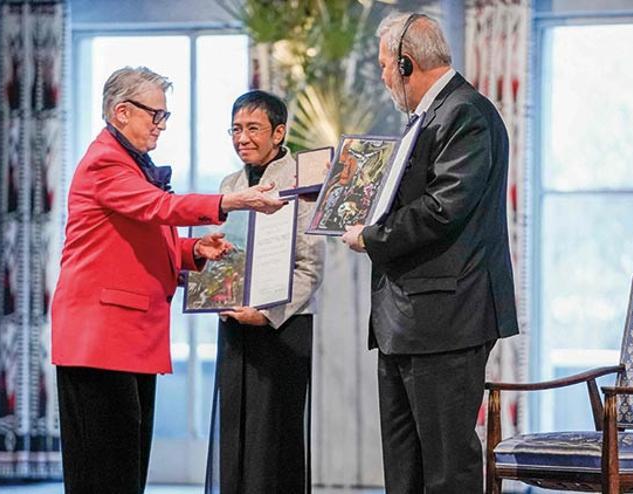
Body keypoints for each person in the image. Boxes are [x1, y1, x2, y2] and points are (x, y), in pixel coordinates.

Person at [51, 66, 285, 494]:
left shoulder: (131, 164)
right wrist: (234, 200)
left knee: (127, 468)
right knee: (103, 474)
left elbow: (137, 238)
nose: (161, 125)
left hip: (128, 337)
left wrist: (191, 251)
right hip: (99, 339)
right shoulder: (105, 161)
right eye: (155, 115)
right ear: (121, 112)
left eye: (165, 116)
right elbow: (159, 207)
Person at [340, 12, 519, 494]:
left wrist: (369, 236)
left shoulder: (465, 113)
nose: (382, 78)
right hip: (406, 320)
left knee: (446, 467)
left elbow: (443, 210)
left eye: (383, 66)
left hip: (446, 318)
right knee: (405, 469)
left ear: (405, 62)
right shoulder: (426, 119)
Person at [211, 90, 326, 494]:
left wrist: (268, 313)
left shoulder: (303, 180)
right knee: (236, 435)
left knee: (274, 439)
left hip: (283, 329)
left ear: (279, 133)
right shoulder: (230, 183)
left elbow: (310, 267)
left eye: (253, 128)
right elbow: (223, 255)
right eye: (236, 129)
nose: (242, 138)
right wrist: (217, 293)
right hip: (235, 327)